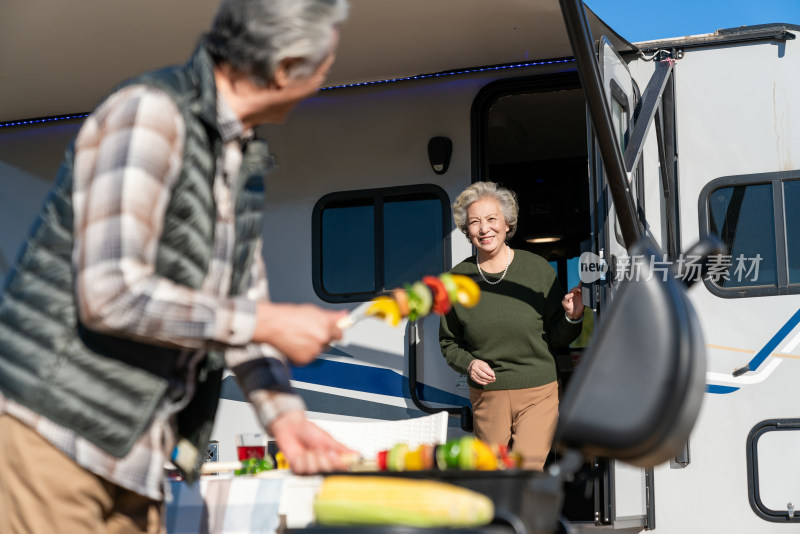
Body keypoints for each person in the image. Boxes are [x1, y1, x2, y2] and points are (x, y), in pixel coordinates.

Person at [0, 0, 351, 532]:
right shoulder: (148, 115)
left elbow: (239, 312)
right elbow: (110, 292)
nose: (326, 79)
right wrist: (269, 322)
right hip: (53, 436)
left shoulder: (241, 160)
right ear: (284, 69)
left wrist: (286, 416)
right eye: (325, 65)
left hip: (135, 456)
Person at [439, 181, 584, 470]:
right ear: (467, 231)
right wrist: (468, 364)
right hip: (488, 393)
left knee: (527, 472)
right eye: (475, 223)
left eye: (492, 219)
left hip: (538, 390)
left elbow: (556, 338)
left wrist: (572, 317)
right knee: (492, 475)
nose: (484, 229)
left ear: (507, 223)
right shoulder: (455, 281)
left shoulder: (537, 270)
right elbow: (449, 343)